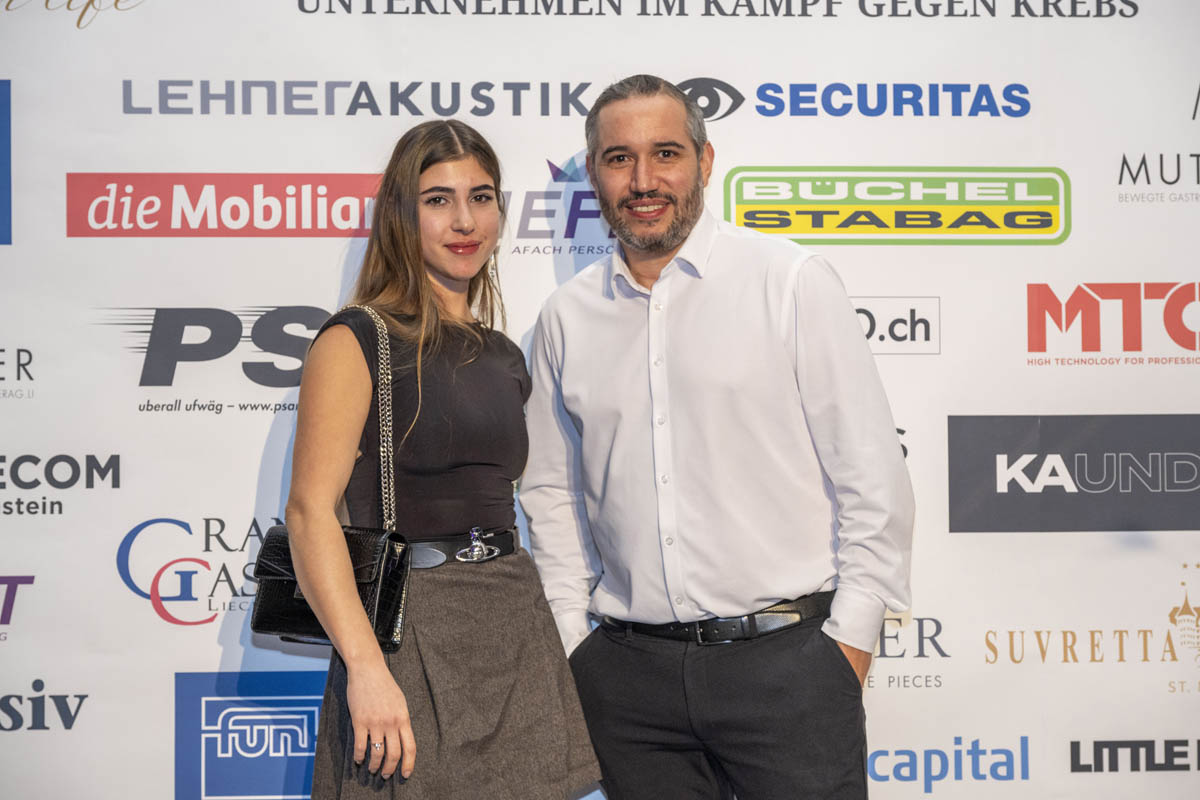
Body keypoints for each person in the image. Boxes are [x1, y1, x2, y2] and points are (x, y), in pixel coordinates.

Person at [521, 75, 915, 800]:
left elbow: (871, 476)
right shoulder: (564, 320)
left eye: (665, 153)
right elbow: (551, 494)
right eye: (619, 158)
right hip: (628, 681)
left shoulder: (789, 281)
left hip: (790, 669)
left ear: (704, 162)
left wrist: (847, 646)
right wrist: (576, 642)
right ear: (594, 176)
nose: (644, 180)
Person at [284, 119, 600, 799]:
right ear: (403, 214)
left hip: (514, 620)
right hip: (408, 628)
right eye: (438, 200)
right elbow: (310, 515)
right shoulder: (357, 338)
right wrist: (366, 667)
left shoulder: (503, 354)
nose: (465, 221)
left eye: (481, 197)